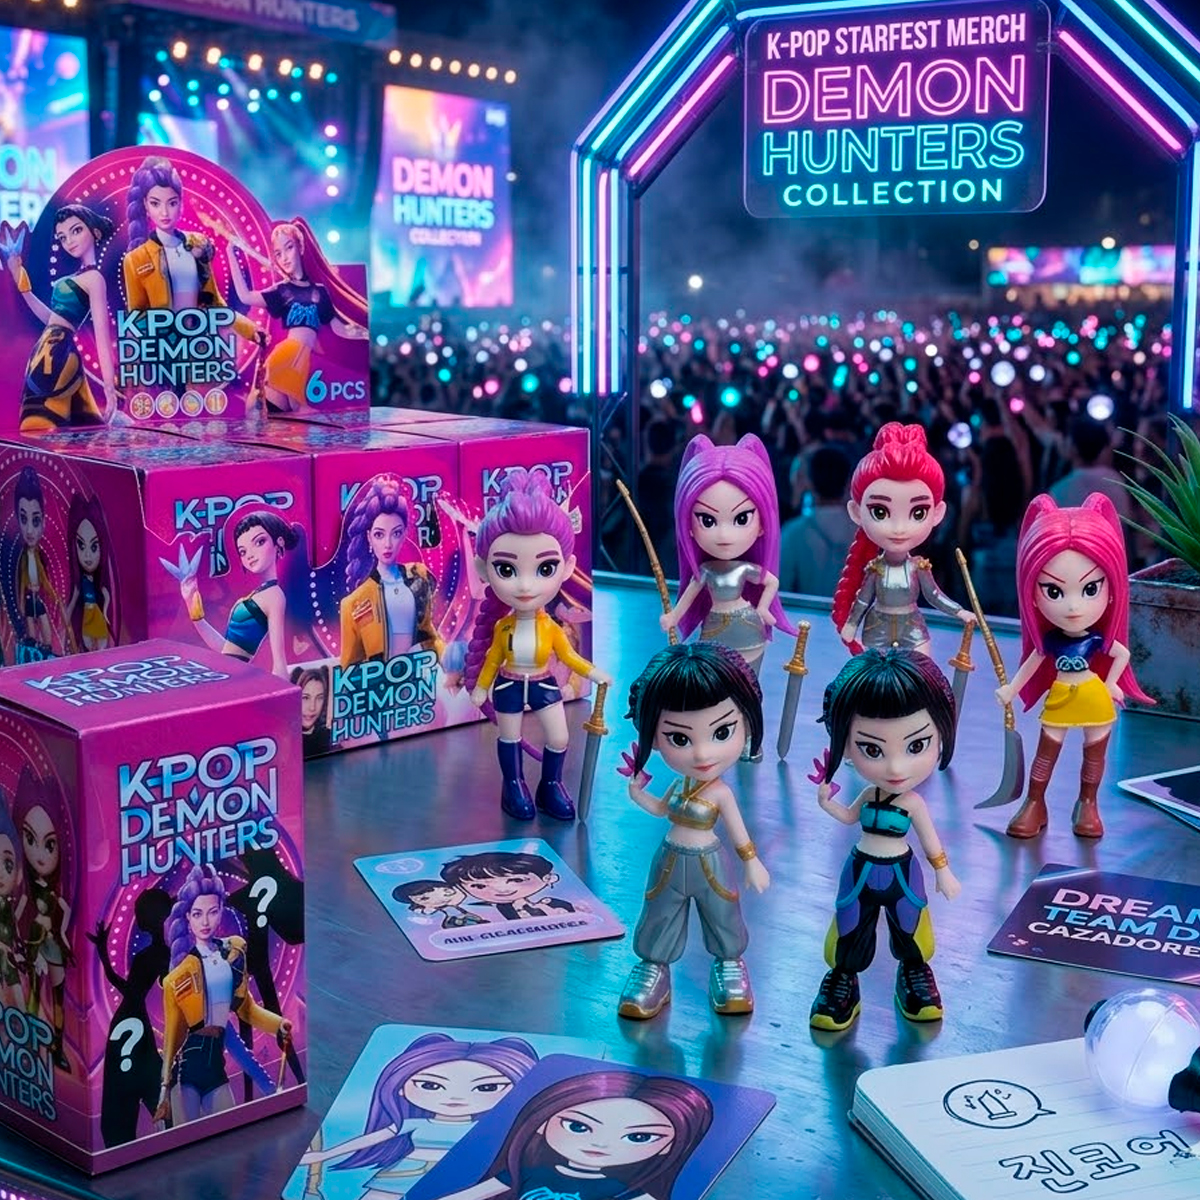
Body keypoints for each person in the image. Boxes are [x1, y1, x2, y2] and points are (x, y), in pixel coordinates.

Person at [810, 649, 961, 1031]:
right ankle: (842, 980)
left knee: (911, 925)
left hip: (901, 873)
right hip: (860, 869)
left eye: (916, 746)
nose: (895, 767)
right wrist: (826, 802)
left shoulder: (913, 803)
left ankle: (914, 973)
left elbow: (931, 842)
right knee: (849, 924)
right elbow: (849, 817)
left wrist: (943, 872)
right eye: (872, 749)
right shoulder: (868, 795)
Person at [618, 642, 769, 1020]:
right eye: (680, 739)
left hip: (709, 863)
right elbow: (661, 809)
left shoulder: (720, 793)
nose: (702, 754)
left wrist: (752, 862)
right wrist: (637, 793)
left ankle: (729, 964)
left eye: (722, 732)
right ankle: (653, 968)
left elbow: (738, 832)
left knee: (723, 912)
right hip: (669, 859)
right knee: (659, 911)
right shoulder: (679, 785)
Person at [995, 493, 1150, 839]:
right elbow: (1034, 661)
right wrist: (1012, 689)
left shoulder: (1096, 639)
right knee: (1046, 752)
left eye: (1090, 588)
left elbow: (1121, 654)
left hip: (1094, 695)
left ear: (1112, 588)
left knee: (1094, 754)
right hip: (1062, 696)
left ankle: (1088, 803)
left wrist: (1112, 683)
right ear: (1031, 593)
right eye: (1053, 591)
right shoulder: (1052, 640)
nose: (1073, 607)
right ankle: (1035, 802)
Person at [465, 470, 611, 821]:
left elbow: (569, 656)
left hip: (544, 684)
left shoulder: (552, 629)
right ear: (483, 568)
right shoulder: (503, 627)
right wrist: (482, 687)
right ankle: (513, 785)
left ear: (567, 567)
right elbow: (493, 659)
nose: (525, 586)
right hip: (509, 685)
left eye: (545, 568)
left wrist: (594, 673)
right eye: (507, 569)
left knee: (559, 737)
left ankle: (551, 784)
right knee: (510, 737)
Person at [298, 1032, 538, 1200]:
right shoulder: (415, 1123)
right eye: (430, 1085)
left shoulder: (493, 1129)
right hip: (404, 1173)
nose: (455, 1098)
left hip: (460, 1177)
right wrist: (325, 1154)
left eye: (487, 1087)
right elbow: (371, 1139)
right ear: (401, 1088)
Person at [428, 1070, 713, 1200]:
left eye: (638, 1137)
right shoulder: (527, 1173)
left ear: (668, 1147)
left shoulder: (624, 1190)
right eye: (578, 1127)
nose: (600, 1143)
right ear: (541, 1123)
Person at [155, 864, 291, 1125]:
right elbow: (172, 1035)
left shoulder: (234, 953)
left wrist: (278, 1024)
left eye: (212, 912)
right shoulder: (177, 977)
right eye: (197, 914)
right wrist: (163, 1090)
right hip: (188, 1069)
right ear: (188, 917)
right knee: (188, 1140)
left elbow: (247, 1009)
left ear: (221, 911)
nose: (205, 922)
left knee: (231, 1130)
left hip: (217, 1067)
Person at [832, 423, 976, 656]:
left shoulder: (918, 567)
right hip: (876, 629)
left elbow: (934, 595)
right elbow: (863, 600)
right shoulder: (875, 569)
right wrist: (851, 624)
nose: (899, 529)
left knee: (919, 674)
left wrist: (959, 611)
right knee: (875, 676)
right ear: (856, 512)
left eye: (918, 513)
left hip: (913, 630)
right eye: (880, 512)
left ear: (937, 513)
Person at [662, 433, 794, 676]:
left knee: (749, 685)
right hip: (713, 629)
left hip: (748, 627)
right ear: (687, 523)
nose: (724, 534)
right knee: (713, 683)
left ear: (763, 524)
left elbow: (771, 581)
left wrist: (764, 608)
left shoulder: (743, 569)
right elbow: (690, 595)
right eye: (707, 520)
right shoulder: (705, 571)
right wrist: (673, 617)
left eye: (742, 519)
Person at [226, 217, 368, 413]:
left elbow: (339, 328)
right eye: (278, 253)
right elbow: (245, 296)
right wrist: (231, 254)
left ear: (300, 247)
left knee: (286, 420)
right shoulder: (282, 290)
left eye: (289, 248)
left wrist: (364, 332)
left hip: (300, 361)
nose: (284, 257)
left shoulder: (320, 291)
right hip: (287, 357)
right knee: (296, 414)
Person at [4, 204, 119, 429]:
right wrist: (21, 283)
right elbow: (51, 319)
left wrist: (109, 386)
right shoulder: (79, 277)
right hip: (49, 348)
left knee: (39, 419)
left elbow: (101, 335)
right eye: (62, 237)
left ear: (95, 232)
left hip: (56, 351)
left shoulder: (94, 279)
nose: (69, 241)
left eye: (76, 231)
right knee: (85, 423)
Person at [164, 508, 308, 680]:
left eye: (260, 542)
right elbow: (225, 649)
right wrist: (192, 603)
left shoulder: (274, 596)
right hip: (226, 673)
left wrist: (278, 689)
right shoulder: (259, 594)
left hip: (234, 677)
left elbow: (279, 661)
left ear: (279, 542)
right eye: (243, 551)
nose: (250, 555)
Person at [89, 888, 172, 1146]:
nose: (137, 919)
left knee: (138, 1089)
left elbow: (133, 990)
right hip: (131, 1025)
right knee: (143, 1086)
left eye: (140, 913)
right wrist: (103, 952)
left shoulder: (154, 955)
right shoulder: (159, 954)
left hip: (131, 1025)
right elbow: (130, 989)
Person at [339, 476, 442, 669]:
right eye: (379, 534)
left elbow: (429, 635)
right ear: (369, 537)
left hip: (422, 677)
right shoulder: (354, 602)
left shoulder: (419, 577)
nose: (388, 544)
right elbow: (349, 666)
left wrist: (450, 662)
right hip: (380, 683)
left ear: (404, 534)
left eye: (396, 533)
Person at [13, 766, 74, 1070]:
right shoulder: (26, 889)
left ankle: (57, 1046)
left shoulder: (55, 891)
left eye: (50, 844)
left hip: (53, 947)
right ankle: (32, 1041)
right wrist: (23, 945)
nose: (39, 854)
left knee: (59, 997)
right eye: (30, 838)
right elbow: (19, 913)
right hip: (36, 945)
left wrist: (61, 934)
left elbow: (65, 910)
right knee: (35, 995)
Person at [779, 446, 856, 597]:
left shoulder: (793, 533)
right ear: (848, 482)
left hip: (803, 612)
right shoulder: (864, 533)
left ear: (810, 483)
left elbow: (781, 589)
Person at [12, 465, 65, 659]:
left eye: (35, 521)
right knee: (30, 623)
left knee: (42, 619)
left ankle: (46, 646)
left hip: (38, 597)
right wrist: (20, 602)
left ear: (43, 521)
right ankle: (33, 645)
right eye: (23, 519)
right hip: (28, 597)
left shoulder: (40, 555)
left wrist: (53, 595)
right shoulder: (23, 558)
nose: (29, 530)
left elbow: (44, 579)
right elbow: (21, 584)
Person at [63, 493, 116, 651]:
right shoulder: (80, 583)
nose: (87, 556)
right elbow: (73, 600)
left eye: (94, 547)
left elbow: (106, 593)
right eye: (81, 545)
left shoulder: (99, 582)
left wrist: (105, 610)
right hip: (86, 617)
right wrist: (66, 617)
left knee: (100, 645)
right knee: (88, 646)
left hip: (96, 615)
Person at [291, 666, 332, 756]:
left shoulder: (329, 736)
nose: (312, 707)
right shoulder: (285, 739)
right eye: (305, 698)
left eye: (319, 698)